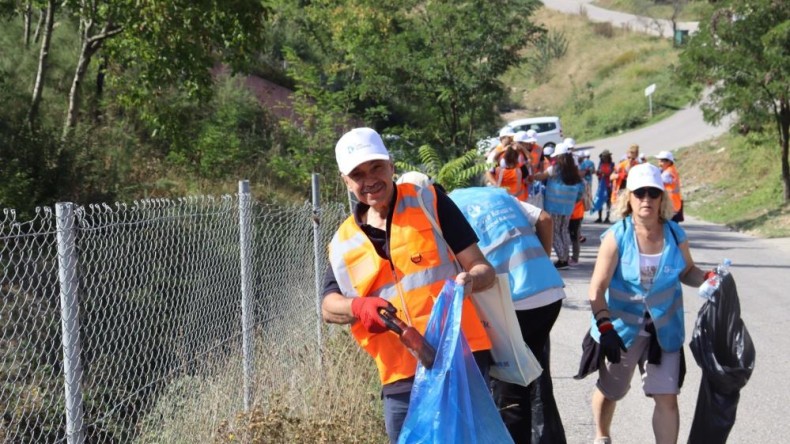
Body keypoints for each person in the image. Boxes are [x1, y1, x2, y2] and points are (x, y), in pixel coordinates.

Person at [321, 127, 496, 444]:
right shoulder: (343, 242)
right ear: (345, 181)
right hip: (399, 374)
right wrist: (358, 307)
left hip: (460, 359)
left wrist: (470, 281)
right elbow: (328, 306)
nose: (370, 180)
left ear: (390, 165)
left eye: (376, 167)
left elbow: (483, 269)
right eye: (358, 174)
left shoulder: (430, 203)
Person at [584, 163, 712, 444]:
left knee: (667, 397)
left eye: (653, 193)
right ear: (628, 197)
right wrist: (605, 327)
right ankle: (602, 435)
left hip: (664, 330)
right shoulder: (617, 236)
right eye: (639, 193)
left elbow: (687, 271)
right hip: (620, 331)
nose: (646, 199)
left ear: (661, 198)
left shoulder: (675, 234)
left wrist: (707, 278)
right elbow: (597, 287)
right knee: (612, 390)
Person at [448, 186, 567, 444]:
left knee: (510, 390)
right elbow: (545, 219)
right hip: (548, 293)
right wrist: (541, 262)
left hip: (513, 303)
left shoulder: (443, 211)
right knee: (535, 375)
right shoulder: (496, 194)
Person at [532, 143, 585, 270]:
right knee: (563, 231)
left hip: (553, 206)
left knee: (554, 232)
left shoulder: (555, 169)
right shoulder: (574, 171)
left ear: (559, 157)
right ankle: (565, 257)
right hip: (568, 208)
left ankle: (562, 259)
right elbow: (580, 190)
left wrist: (531, 175)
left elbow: (540, 177)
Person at [655, 151, 684, 223]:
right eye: (659, 160)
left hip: (670, 205)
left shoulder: (667, 173)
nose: (659, 163)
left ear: (668, 162)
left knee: (668, 227)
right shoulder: (671, 170)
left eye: (661, 161)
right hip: (674, 204)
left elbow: (657, 182)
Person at [593, 150, 615, 223]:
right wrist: (597, 172)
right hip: (601, 185)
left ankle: (607, 217)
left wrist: (605, 174)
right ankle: (599, 217)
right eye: (603, 157)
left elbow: (612, 173)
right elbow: (598, 172)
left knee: (608, 202)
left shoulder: (612, 164)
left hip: (609, 185)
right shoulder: (601, 164)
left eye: (605, 157)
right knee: (600, 200)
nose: (604, 158)